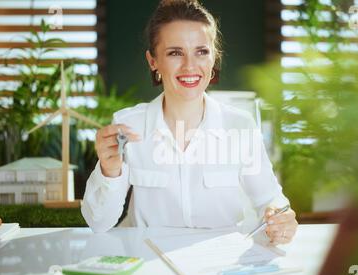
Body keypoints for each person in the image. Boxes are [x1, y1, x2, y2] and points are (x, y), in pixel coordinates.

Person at [81, 0, 298, 245]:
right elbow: (99, 222)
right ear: (153, 61)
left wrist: (281, 218)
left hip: (219, 268)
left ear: (213, 58)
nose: (190, 66)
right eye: (175, 53)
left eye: (201, 51)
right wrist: (109, 171)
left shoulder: (240, 125)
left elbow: (270, 201)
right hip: (148, 266)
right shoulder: (128, 125)